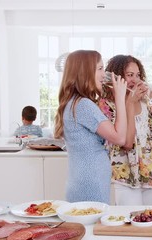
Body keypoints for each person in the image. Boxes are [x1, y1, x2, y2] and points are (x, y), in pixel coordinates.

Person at [98, 54, 152, 205]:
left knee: (150, 224)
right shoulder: (106, 105)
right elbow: (126, 143)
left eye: (138, 75)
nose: (135, 80)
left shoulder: (145, 102)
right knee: (129, 223)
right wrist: (130, 102)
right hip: (126, 176)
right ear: (117, 77)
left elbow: (150, 145)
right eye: (129, 75)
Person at [54, 50, 128, 203]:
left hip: (81, 181)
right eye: (100, 69)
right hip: (91, 184)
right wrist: (120, 98)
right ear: (85, 72)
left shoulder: (73, 103)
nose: (104, 74)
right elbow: (120, 138)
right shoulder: (84, 105)